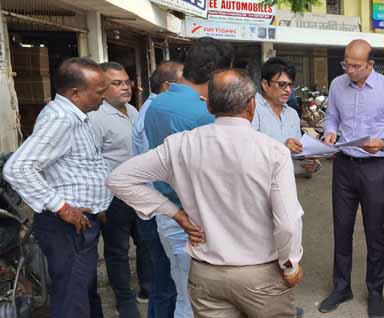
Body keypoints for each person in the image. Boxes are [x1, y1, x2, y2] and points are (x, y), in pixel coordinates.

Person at [107, 69, 304, 318]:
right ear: (252, 106)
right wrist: (290, 264)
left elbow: (119, 178)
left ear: (208, 104)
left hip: (206, 275)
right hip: (261, 274)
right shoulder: (273, 151)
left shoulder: (180, 145)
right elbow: (287, 222)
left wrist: (174, 212)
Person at [2, 57, 110, 318]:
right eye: (99, 92)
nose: (103, 97)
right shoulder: (61, 119)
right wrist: (62, 207)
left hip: (81, 224)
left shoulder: (76, 117)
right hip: (67, 229)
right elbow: (17, 168)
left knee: (82, 293)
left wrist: (99, 203)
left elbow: (79, 168)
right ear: (75, 93)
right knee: (72, 301)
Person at [143, 37, 233, 318]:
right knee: (202, 302)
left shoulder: (156, 104)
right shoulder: (204, 114)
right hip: (197, 219)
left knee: (183, 293)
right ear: (216, 73)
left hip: (167, 212)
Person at [319, 39, 384, 318]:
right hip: (344, 165)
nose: (350, 70)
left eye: (356, 65)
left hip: (373, 168)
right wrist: (330, 132)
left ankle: (376, 291)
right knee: (342, 228)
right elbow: (331, 117)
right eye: (346, 63)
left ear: (370, 64)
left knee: (374, 230)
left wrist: (383, 143)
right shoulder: (337, 85)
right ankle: (341, 286)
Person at [88, 61, 150, 318]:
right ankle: (124, 300)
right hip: (113, 197)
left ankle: (146, 289)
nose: (125, 87)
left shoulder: (133, 111)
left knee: (145, 242)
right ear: (102, 88)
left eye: (127, 82)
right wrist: (99, 203)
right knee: (117, 250)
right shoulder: (95, 118)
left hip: (139, 191)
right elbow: (91, 161)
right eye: (117, 83)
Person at [131, 61, 184, 318]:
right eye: (184, 83)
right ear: (167, 86)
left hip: (157, 205)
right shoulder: (157, 112)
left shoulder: (154, 109)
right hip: (158, 207)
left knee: (166, 281)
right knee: (165, 284)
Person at [252, 57, 320, 177]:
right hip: (259, 185)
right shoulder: (251, 109)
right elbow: (249, 151)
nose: (288, 90)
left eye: (290, 85)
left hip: (287, 186)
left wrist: (309, 164)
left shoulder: (292, 114)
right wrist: (283, 148)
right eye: (282, 84)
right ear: (265, 84)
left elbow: (298, 155)